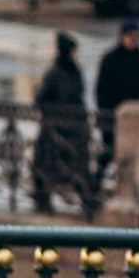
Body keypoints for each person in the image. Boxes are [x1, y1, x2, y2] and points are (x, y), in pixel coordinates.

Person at [33, 30, 91, 213]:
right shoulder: (54, 73)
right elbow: (41, 101)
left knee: (79, 167)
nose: (76, 54)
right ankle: (43, 198)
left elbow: (80, 97)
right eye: (73, 50)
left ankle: (86, 201)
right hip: (57, 131)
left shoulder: (75, 71)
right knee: (51, 167)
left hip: (75, 129)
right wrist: (53, 119)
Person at [93, 20, 139, 182]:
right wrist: (106, 114)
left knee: (132, 154)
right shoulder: (110, 59)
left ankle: (128, 186)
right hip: (113, 115)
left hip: (134, 116)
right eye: (130, 36)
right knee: (109, 153)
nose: (133, 40)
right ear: (122, 37)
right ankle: (94, 184)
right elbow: (101, 89)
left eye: (136, 36)